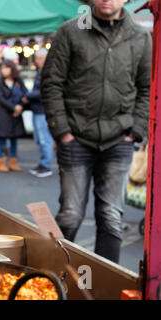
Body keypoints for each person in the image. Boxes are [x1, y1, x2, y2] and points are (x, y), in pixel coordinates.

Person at [41, 0, 151, 263]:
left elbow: (147, 87)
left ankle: (105, 286)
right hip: (76, 137)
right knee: (70, 213)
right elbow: (51, 82)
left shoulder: (140, 36)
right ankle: (53, 280)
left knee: (111, 215)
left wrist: (135, 130)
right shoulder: (71, 31)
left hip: (119, 139)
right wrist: (63, 132)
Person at [23, 48, 54, 178]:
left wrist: (28, 95)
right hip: (38, 109)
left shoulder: (49, 72)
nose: (37, 61)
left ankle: (46, 165)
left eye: (40, 58)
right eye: (37, 58)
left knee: (44, 139)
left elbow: (46, 91)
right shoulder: (41, 72)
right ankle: (43, 163)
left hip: (43, 109)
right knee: (40, 139)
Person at [0, 60, 27, 172]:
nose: (3, 70)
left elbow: (25, 94)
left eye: (5, 68)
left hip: (15, 115)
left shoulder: (18, 81)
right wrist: (14, 108)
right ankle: (0, 162)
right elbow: (0, 98)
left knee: (14, 139)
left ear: (11, 69)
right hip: (3, 114)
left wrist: (20, 107)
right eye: (2, 68)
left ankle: (13, 162)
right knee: (1, 139)